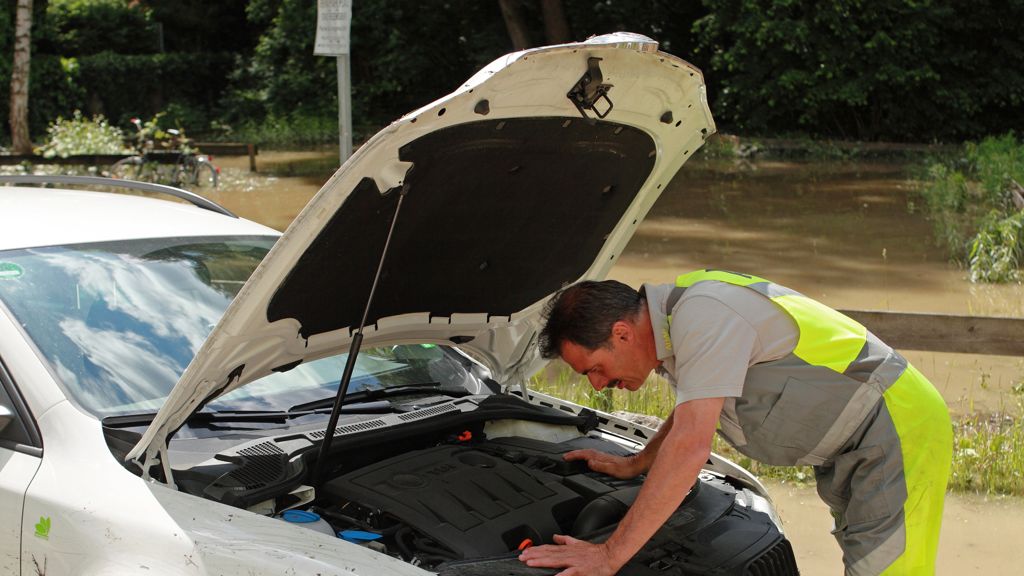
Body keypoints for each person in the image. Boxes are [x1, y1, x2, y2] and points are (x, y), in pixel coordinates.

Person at [518, 270, 952, 576]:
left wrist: (609, 556)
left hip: (895, 427)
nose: (597, 386)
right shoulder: (675, 321)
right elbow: (693, 408)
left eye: (594, 368)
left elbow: (691, 445)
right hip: (855, 444)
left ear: (622, 334)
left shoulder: (703, 316)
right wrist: (638, 463)